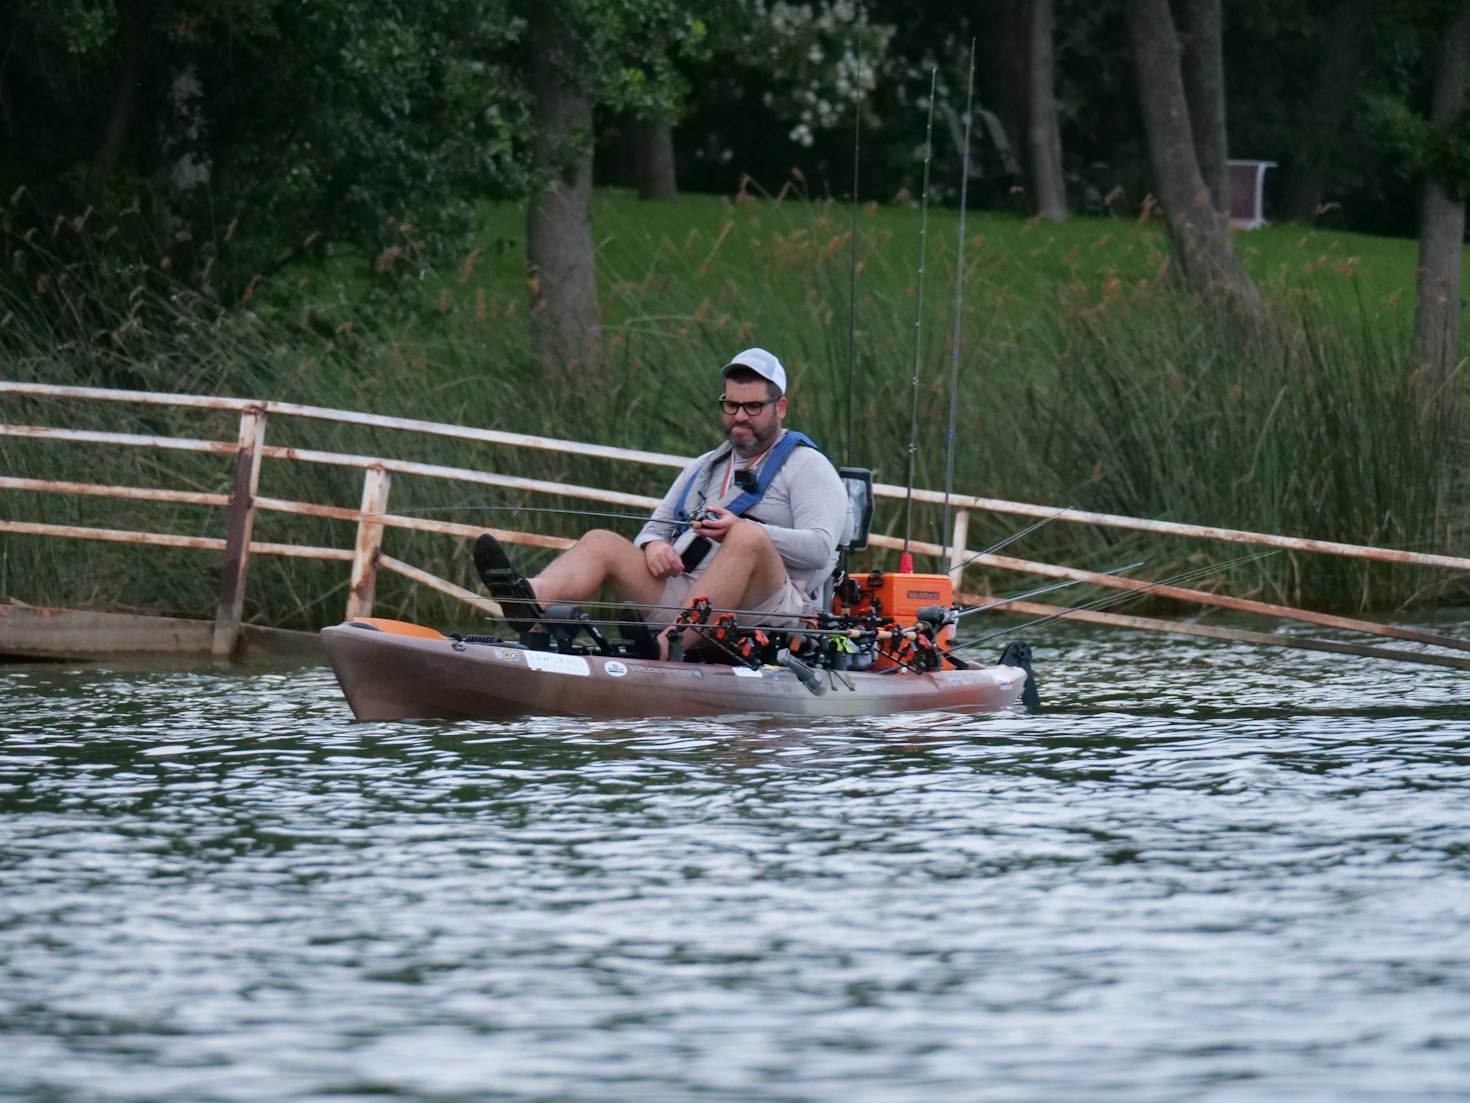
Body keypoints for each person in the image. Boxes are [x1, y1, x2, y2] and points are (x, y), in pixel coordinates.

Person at [474, 347, 850, 657]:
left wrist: (743, 529)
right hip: (685, 594)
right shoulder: (705, 466)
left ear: (779, 408)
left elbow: (819, 549)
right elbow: (654, 529)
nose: (739, 417)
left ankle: (662, 652)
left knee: (748, 538)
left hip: (769, 608)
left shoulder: (808, 467)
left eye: (752, 407)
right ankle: (530, 601)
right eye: (731, 405)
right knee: (601, 541)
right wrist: (653, 547)